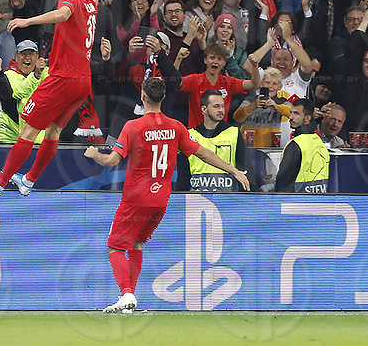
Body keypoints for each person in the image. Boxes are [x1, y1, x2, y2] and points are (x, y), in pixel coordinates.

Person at [83, 78, 248, 314]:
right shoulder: (176, 127)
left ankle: (127, 293)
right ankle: (128, 300)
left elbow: (111, 160)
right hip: (160, 201)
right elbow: (202, 153)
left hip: (136, 199)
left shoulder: (133, 126)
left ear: (143, 95)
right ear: (163, 97)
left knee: (115, 247)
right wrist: (233, 170)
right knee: (137, 243)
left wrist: (94, 153)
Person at [0, 0, 98, 198]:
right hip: (83, 81)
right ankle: (29, 179)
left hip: (61, 78)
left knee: (28, 129)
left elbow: (63, 14)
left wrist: (28, 21)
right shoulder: (90, 3)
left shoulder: (69, 0)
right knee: (53, 131)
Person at [187, 90, 250, 192]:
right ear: (204, 109)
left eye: (223, 106)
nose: (221, 110)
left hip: (227, 198)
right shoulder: (190, 135)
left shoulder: (234, 133)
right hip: (197, 199)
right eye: (216, 106)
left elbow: (244, 170)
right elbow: (183, 176)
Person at [0, 39, 48, 143]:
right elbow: (18, 92)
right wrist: (36, 75)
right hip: (9, 138)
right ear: (16, 57)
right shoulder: (9, 75)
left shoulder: (46, 72)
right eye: (23, 54)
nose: (27, 57)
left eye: (31, 54)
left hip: (37, 138)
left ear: (38, 57)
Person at [275, 98, 330, 193]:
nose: (291, 117)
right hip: (319, 203)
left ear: (307, 118)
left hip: (296, 203)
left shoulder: (296, 144)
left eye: (296, 114)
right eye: (291, 112)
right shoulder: (319, 142)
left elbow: (283, 182)